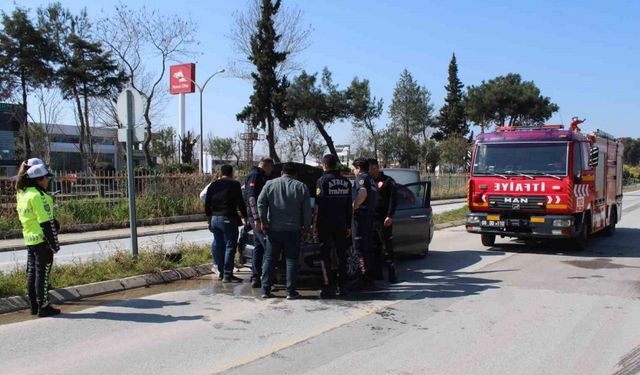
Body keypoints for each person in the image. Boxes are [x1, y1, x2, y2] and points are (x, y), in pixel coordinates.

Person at [258, 162, 311, 299]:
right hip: (293, 230)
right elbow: (306, 211)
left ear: (282, 172)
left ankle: (265, 290)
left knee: (269, 259)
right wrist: (306, 228)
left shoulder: (269, 184)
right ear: (296, 174)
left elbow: (260, 203)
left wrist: (264, 222)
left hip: (273, 229)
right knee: (292, 260)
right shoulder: (301, 187)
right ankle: (290, 292)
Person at [15, 159, 61, 317]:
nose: (48, 180)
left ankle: (34, 306)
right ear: (38, 179)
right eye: (46, 177)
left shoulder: (23, 194)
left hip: (30, 239)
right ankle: (44, 306)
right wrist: (54, 245)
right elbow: (47, 224)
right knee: (43, 274)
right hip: (42, 241)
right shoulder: (39, 196)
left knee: (32, 273)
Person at [314, 154, 352, 298]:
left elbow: (319, 205)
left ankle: (328, 286)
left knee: (325, 256)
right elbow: (349, 206)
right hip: (342, 224)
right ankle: (343, 286)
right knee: (342, 255)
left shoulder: (322, 181)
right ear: (336, 165)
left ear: (324, 165)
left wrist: (315, 225)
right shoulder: (346, 182)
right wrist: (349, 225)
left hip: (326, 225)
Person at [204, 165, 248, 283]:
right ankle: (228, 274)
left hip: (214, 219)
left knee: (219, 246)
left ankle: (222, 273)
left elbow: (207, 204)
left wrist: (209, 220)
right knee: (230, 245)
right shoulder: (234, 184)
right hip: (228, 218)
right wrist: (245, 216)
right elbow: (240, 202)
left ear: (221, 173)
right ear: (231, 173)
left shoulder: (213, 185)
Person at [243, 157, 274, 288]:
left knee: (259, 247)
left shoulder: (260, 176)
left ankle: (256, 277)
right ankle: (267, 280)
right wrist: (256, 219)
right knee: (268, 247)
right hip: (257, 217)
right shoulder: (255, 176)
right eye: (271, 168)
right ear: (266, 166)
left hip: (258, 216)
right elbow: (251, 198)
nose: (271, 171)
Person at [368, 158, 398, 283]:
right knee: (375, 247)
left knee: (387, 247)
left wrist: (390, 215)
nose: (368, 171)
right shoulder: (368, 181)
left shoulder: (388, 181)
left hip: (384, 219)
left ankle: (392, 274)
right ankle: (378, 273)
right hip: (371, 219)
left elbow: (393, 199)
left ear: (375, 167)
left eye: (370, 169)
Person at [351, 157, 377, 289]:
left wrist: (353, 206)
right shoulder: (371, 180)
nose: (353, 171)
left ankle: (362, 278)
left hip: (360, 218)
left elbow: (362, 193)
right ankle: (369, 278)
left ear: (358, 168)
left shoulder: (361, 178)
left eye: (354, 168)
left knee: (359, 249)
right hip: (369, 218)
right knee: (367, 249)